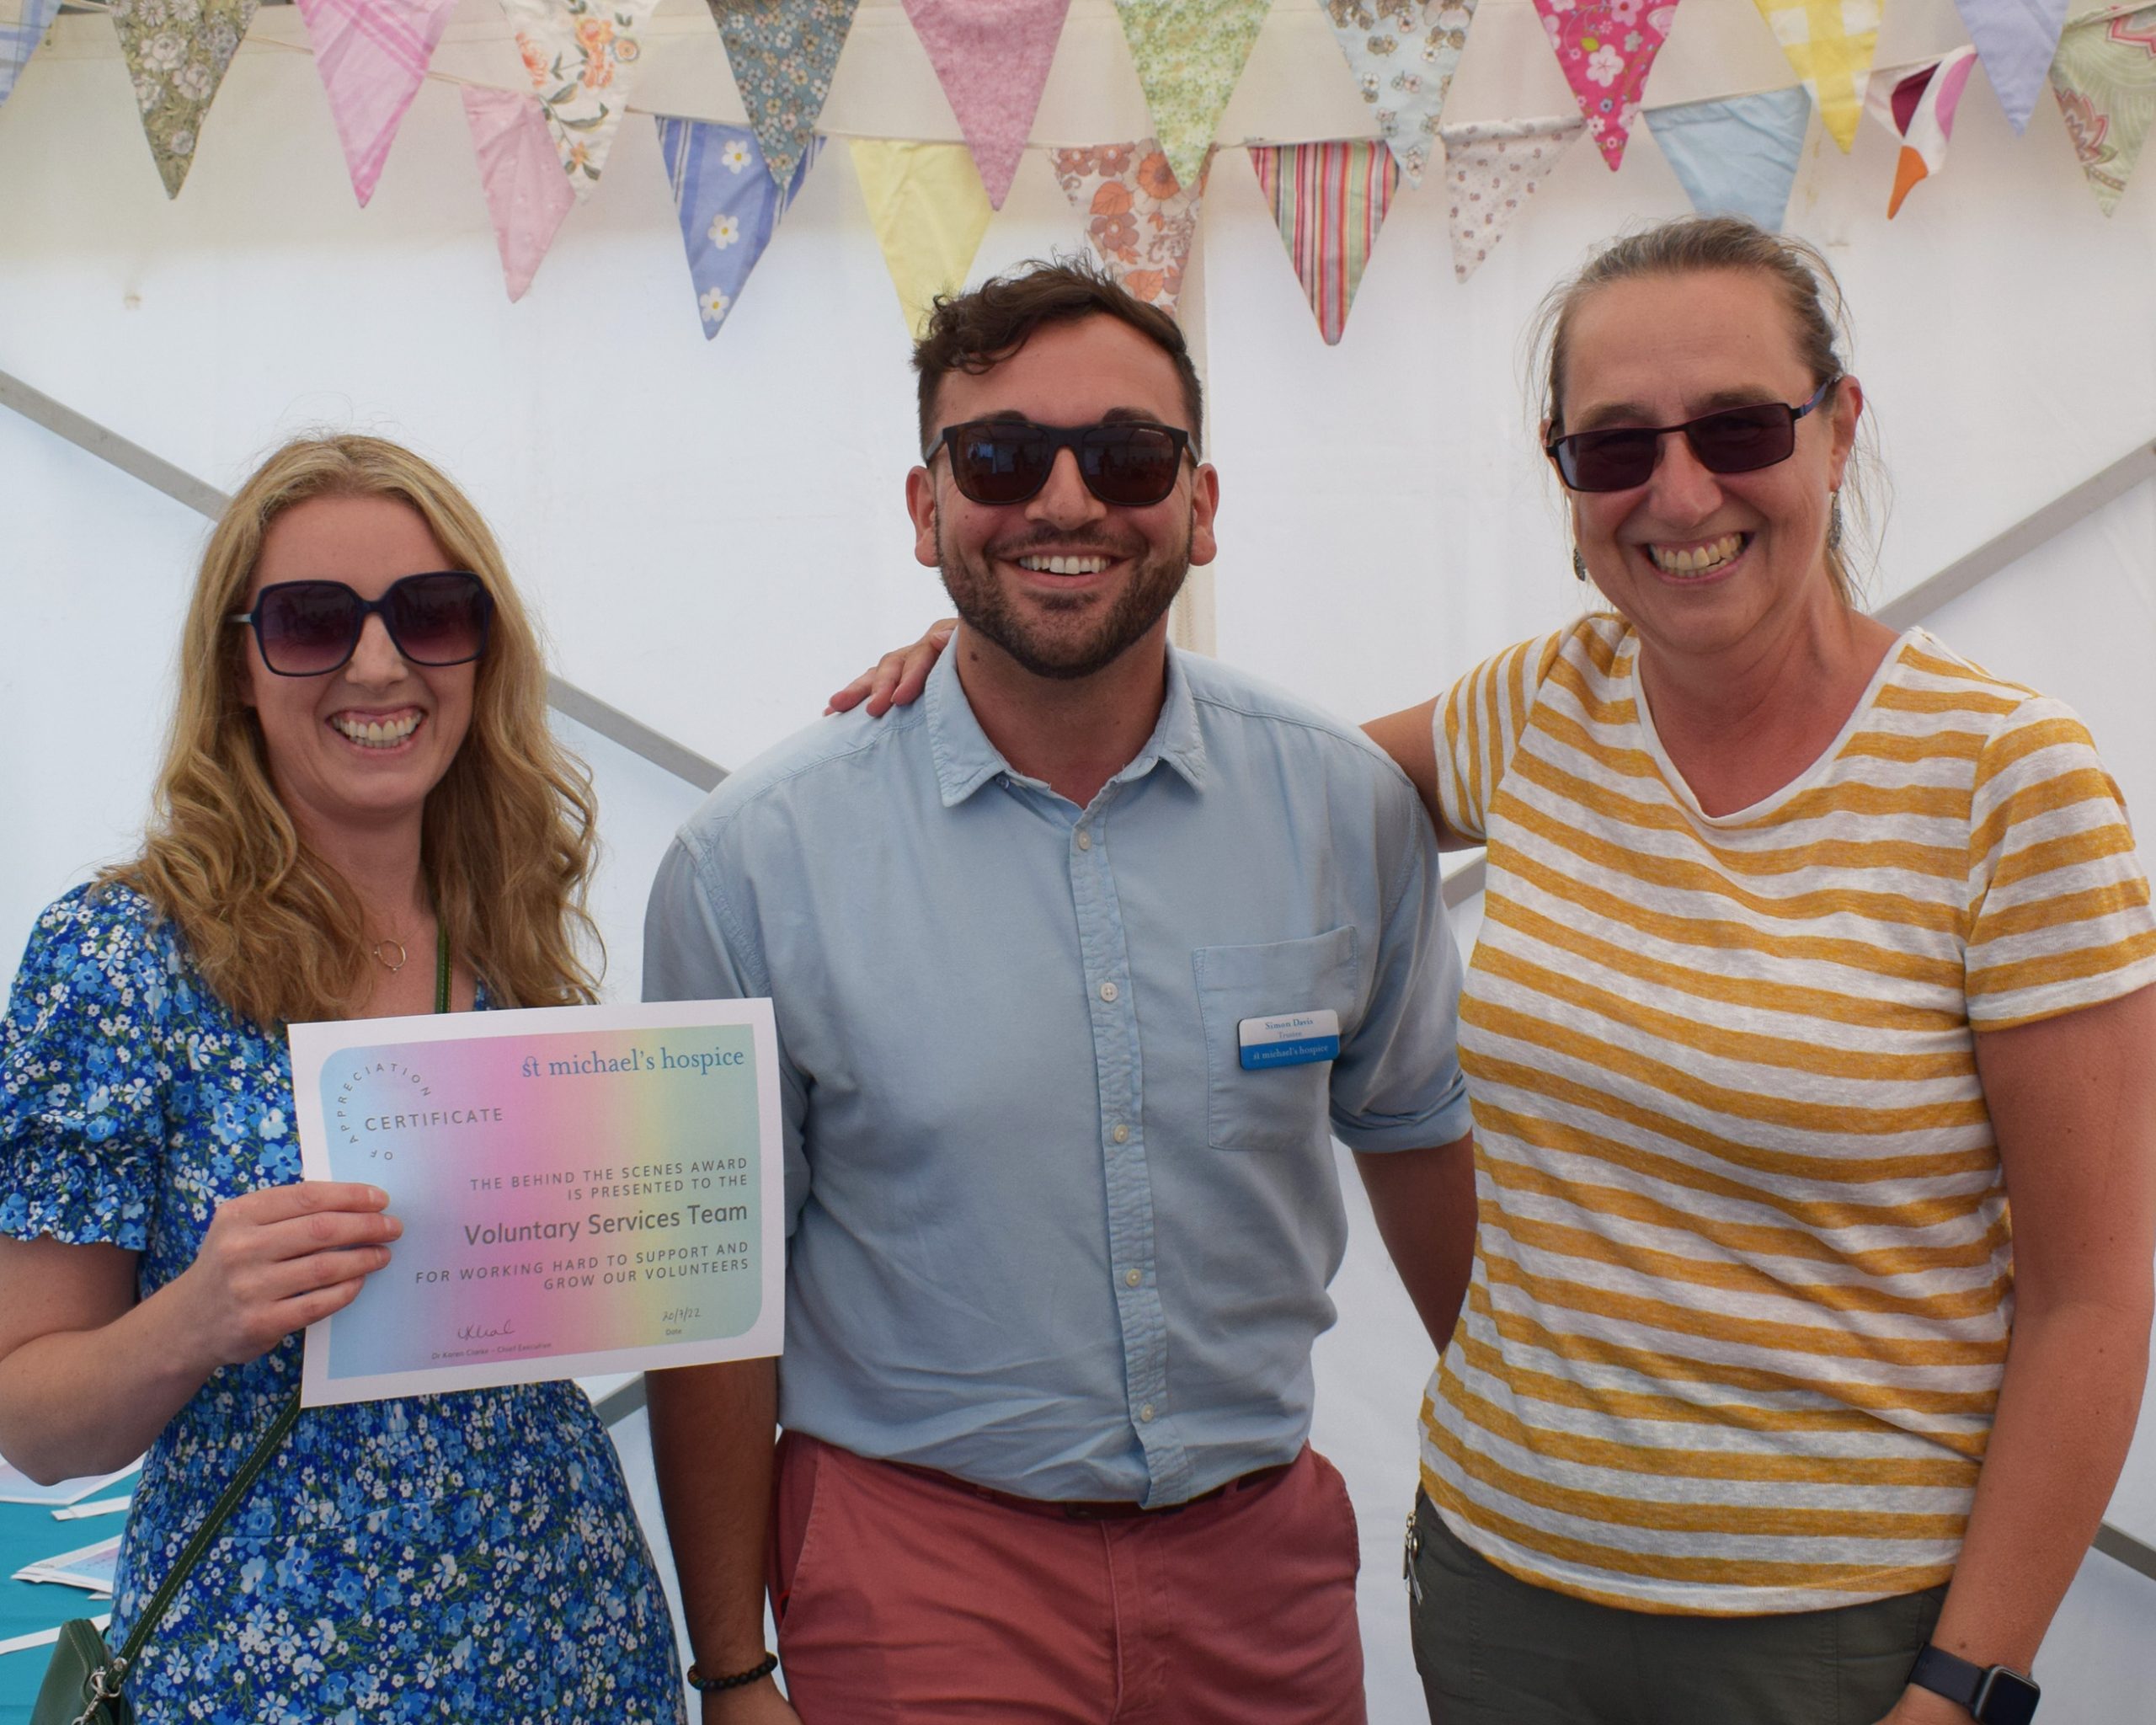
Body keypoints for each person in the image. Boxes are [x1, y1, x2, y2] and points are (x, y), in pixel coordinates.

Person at [834, 216, 2156, 1725]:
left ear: (1840, 430)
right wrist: (1007, 653)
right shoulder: (1542, 709)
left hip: (1836, 1633)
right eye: (1614, 448)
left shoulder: (2005, 778)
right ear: (1563, 474)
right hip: (1500, 1593)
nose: (1679, 490)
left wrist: (1967, 1681)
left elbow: (2091, 1299)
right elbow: (1237, 785)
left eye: (1736, 427)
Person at [640, 259, 1476, 1724]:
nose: (1069, 501)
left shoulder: (1344, 808)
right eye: (1004, 456)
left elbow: (1418, 1138)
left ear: (1202, 505)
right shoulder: (753, 864)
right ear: (928, 509)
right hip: (917, 1580)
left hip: (1259, 1573)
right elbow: (715, 1299)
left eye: (1130, 455)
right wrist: (731, 1670)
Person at [0, 435, 686, 1722]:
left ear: (482, 657)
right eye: (316, 623)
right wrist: (199, 1314)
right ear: (240, 670)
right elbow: (30, 1418)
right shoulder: (118, 956)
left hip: (570, 1644)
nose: (380, 664)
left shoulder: (510, 928)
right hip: (272, 1673)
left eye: (430, 616)